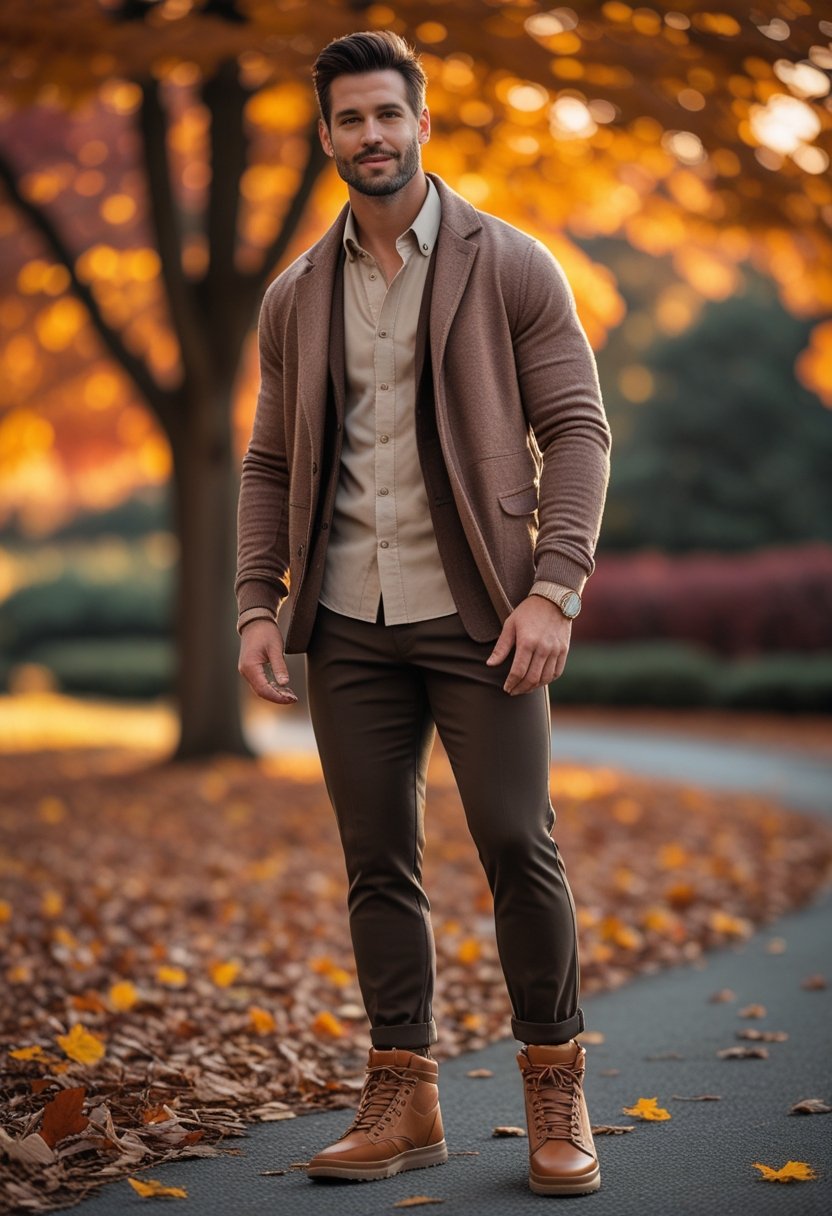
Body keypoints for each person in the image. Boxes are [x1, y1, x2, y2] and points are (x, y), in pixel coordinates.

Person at [235, 29, 611, 1197]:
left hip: (483, 615)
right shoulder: (296, 294)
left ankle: (555, 1086)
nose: (370, 137)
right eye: (348, 120)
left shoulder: (511, 265)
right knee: (375, 859)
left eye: (386, 115)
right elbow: (264, 463)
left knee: (514, 837)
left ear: (421, 122)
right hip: (345, 621)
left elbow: (580, 432)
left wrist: (555, 588)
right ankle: (403, 1094)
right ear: (327, 134)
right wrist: (257, 601)